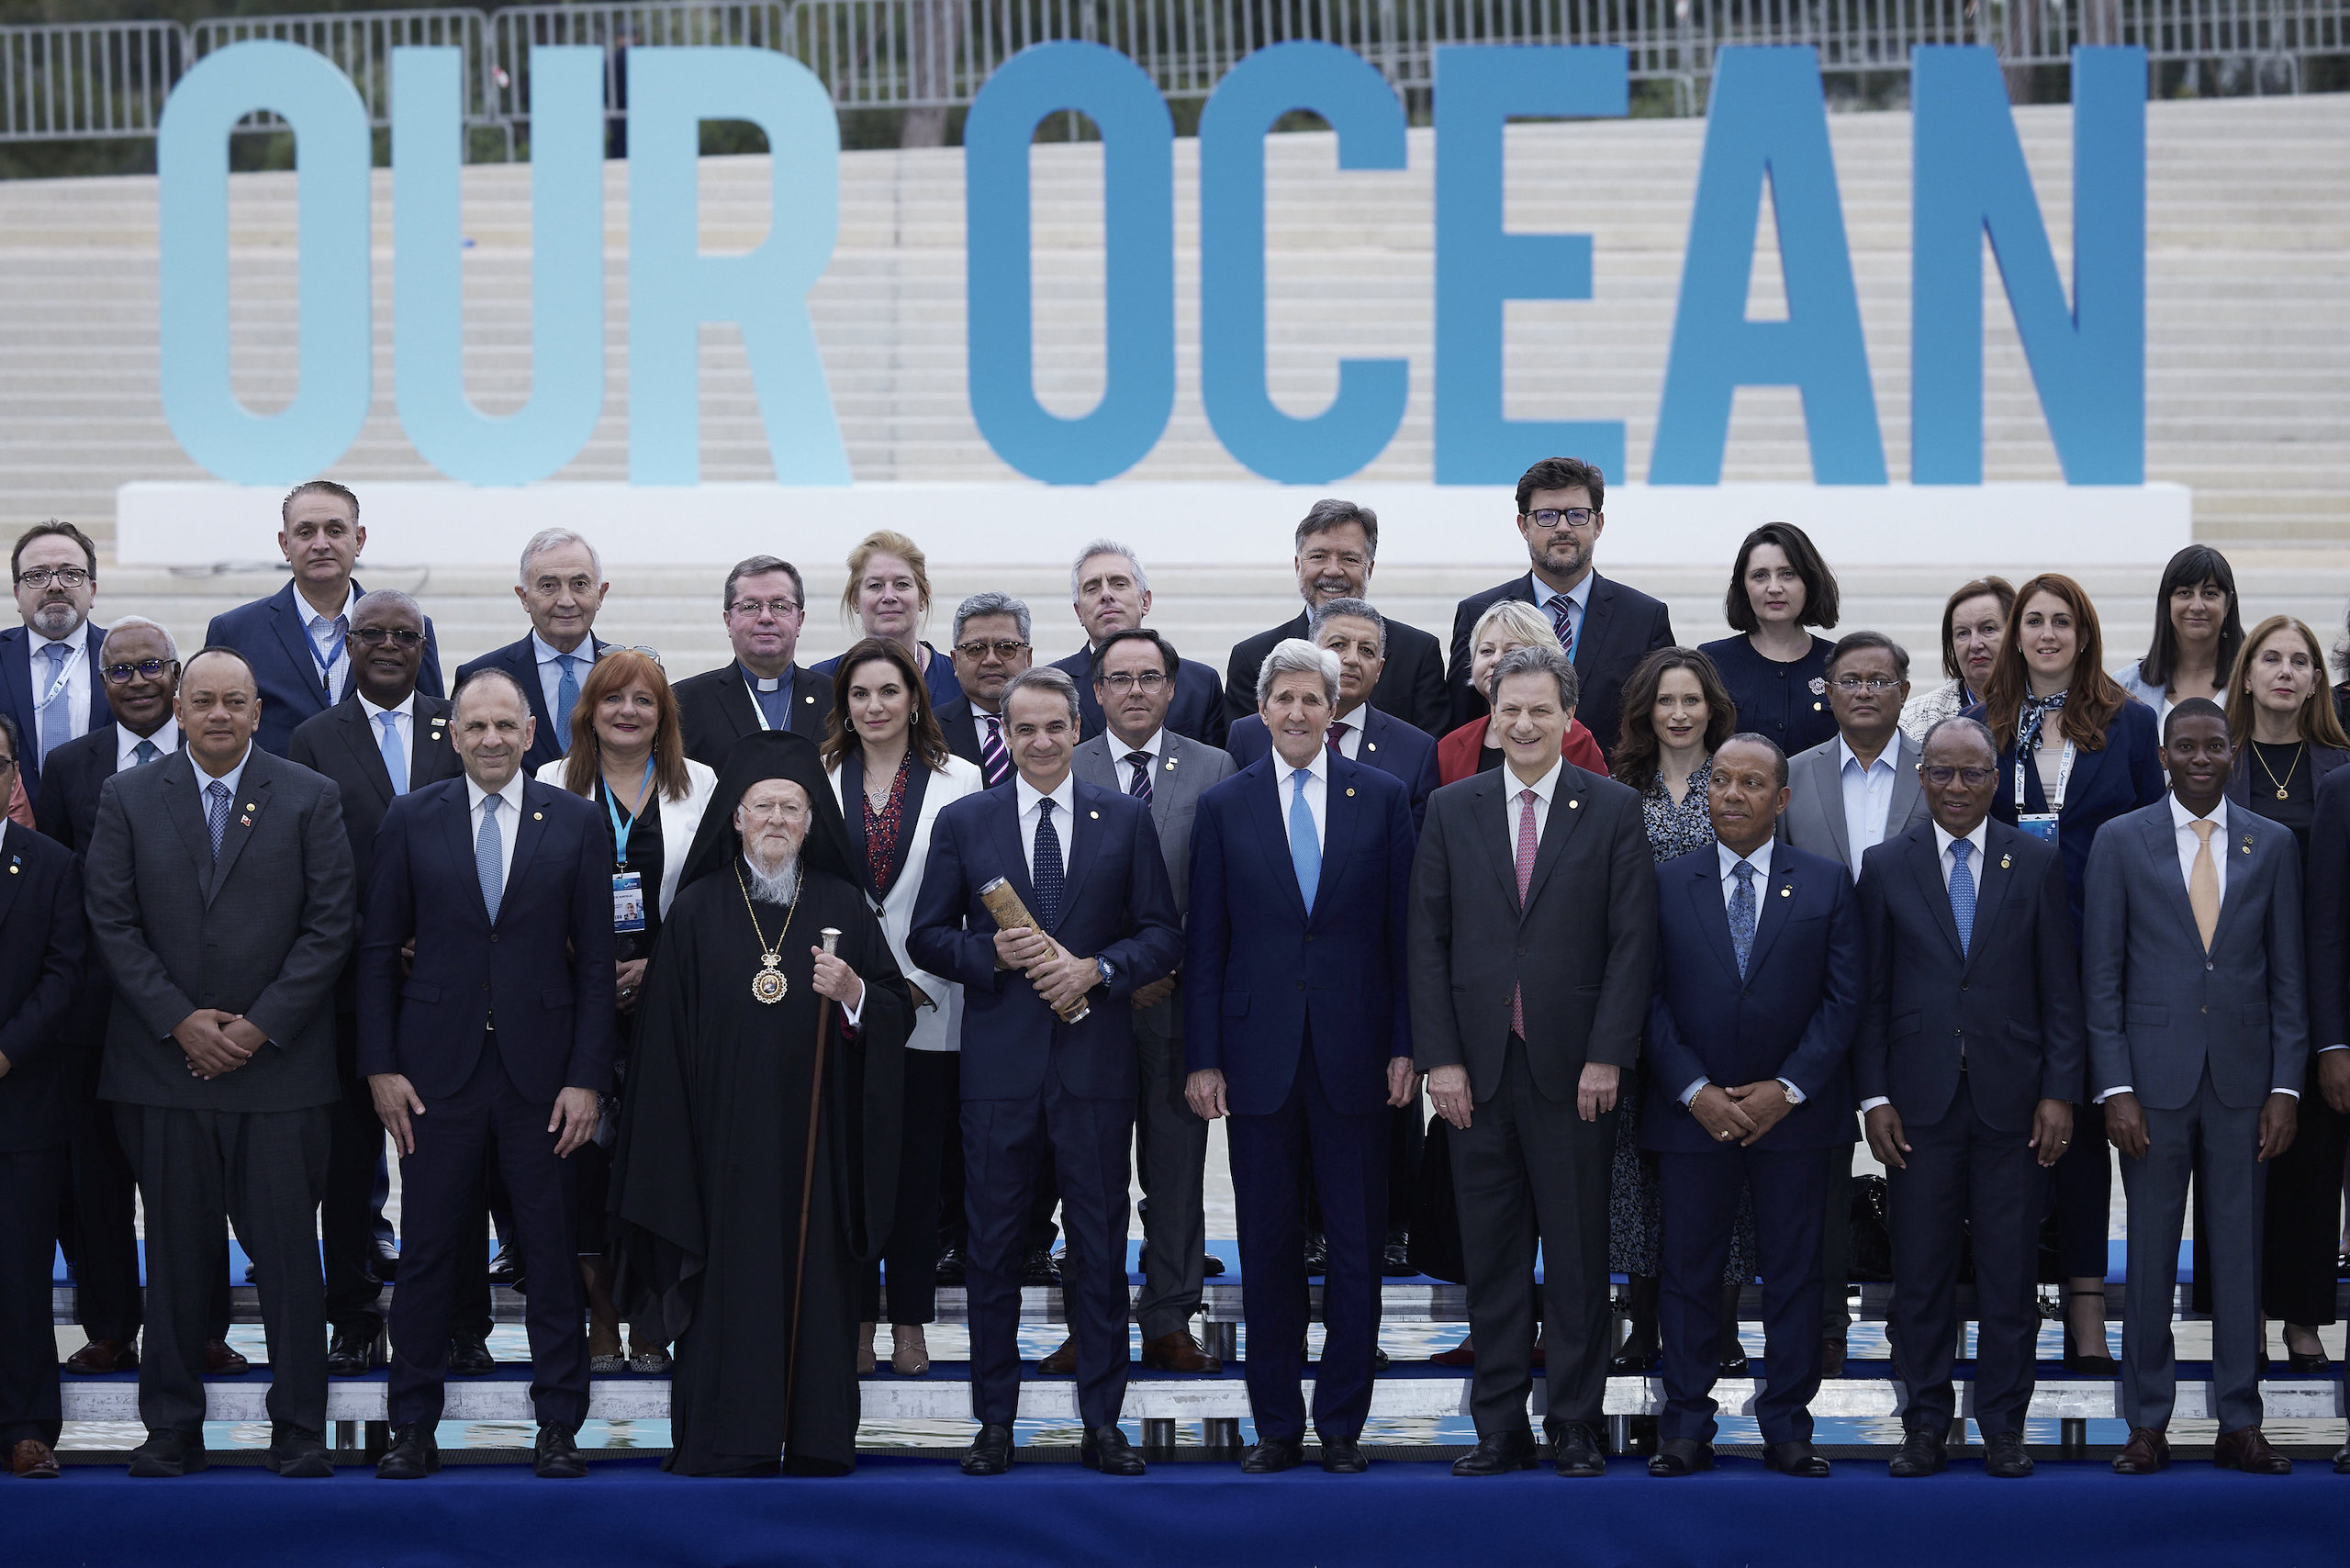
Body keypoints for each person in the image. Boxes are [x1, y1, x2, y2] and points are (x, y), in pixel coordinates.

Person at [84, 646, 356, 1479]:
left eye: (234, 701)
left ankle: (298, 1426)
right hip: (161, 1071)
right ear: (178, 708)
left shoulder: (310, 795)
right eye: (202, 700)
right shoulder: (127, 796)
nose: (218, 715)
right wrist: (179, 1021)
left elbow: (330, 925)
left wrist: (257, 1028)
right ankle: (171, 1426)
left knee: (287, 1258)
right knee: (173, 1256)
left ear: (257, 711)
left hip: (279, 1074)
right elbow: (111, 921)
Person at [610, 732, 912, 1475]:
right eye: (763, 807)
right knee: (727, 1288)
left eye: (792, 807)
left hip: (819, 1149)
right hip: (718, 1151)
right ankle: (727, 1439)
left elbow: (894, 1009)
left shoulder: (841, 903)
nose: (777, 820)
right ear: (737, 818)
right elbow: (660, 1047)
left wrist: (854, 993)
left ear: (811, 823)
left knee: (818, 1288)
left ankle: (813, 1439)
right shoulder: (695, 910)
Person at [908, 666, 1182, 1478]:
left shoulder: (1124, 817)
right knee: (993, 1249)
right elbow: (926, 936)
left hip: (1095, 1069)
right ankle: (995, 1421)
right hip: (1000, 1071)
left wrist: (1098, 969)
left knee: (1098, 1248)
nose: (1039, 741)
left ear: (1077, 728)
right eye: (1023, 729)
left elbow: (1162, 934)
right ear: (1003, 736)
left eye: (1054, 727)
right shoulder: (966, 820)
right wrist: (989, 954)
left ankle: (1103, 1422)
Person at [359, 668, 615, 1483]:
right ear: (454, 735)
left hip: (546, 1080)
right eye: (476, 727)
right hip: (435, 1077)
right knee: (431, 1252)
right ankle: (411, 1426)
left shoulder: (576, 821)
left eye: (506, 725)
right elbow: (376, 953)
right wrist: (380, 1068)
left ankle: (559, 1425)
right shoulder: (411, 817)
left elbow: (597, 964)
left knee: (549, 1252)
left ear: (531, 732)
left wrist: (587, 1078)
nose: (492, 739)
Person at [1410, 644, 1657, 1479]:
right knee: (1493, 1256)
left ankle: (1575, 1424)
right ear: (1491, 717)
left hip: (1576, 1073)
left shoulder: (1613, 808)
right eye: (1509, 709)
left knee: (1579, 1257)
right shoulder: (1452, 808)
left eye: (1539, 710)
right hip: (1476, 1075)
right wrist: (1441, 1061)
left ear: (1568, 717)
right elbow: (1427, 942)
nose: (1523, 724)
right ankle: (1500, 1427)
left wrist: (1608, 1055)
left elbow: (1632, 943)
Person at [1187, 638, 1413, 1473]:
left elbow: (1404, 936)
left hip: (1358, 1054)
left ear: (1333, 708)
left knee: (1356, 1249)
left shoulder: (1381, 796)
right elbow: (1207, 943)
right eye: (1281, 697)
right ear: (1261, 708)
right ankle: (1277, 1425)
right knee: (1269, 1246)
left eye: (1311, 698)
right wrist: (1203, 1057)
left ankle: (1343, 1426)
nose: (1295, 711)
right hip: (1258, 1059)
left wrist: (1407, 1046)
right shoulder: (1225, 804)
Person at [1856, 715, 2082, 1481]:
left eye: (1973, 773)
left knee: (2009, 1275)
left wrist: (2060, 1091)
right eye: (1943, 773)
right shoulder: (1885, 865)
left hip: (2014, 1103)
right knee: (1920, 1275)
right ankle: (1923, 1425)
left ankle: (2004, 1428)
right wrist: (1873, 1096)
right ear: (1922, 778)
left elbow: (2060, 991)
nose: (1957, 787)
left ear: (1995, 779)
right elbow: (1870, 994)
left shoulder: (2037, 861)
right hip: (1915, 1106)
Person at [2087, 698, 2305, 1477]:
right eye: (2186, 746)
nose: (2201, 758)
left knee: (2240, 1256)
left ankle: (2239, 1422)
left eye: (2214, 745)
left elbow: (2288, 977)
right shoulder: (2121, 840)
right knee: (2149, 1258)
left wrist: (2286, 1088)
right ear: (2164, 755)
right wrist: (2115, 1086)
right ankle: (2147, 1423)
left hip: (2245, 1084)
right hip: (2150, 1085)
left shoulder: (2271, 843)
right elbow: (2101, 977)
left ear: (2231, 752)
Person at [1642, 733, 1861, 1481]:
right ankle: (1684, 1426)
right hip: (1691, 1115)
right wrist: (1695, 1091)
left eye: (1751, 783)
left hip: (1796, 1119)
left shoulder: (1828, 884)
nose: (1732, 795)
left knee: (1795, 1275)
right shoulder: (1666, 882)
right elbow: (1645, 997)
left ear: (1782, 798)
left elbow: (1843, 1001)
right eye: (1721, 781)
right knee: (1687, 1274)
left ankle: (1788, 1428)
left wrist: (1787, 1089)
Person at [1970, 572, 2164, 1372]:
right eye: (2033, 621)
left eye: (2063, 622)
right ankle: (2006, 1309)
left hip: (2099, 955)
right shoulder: (1981, 726)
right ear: (2015, 634)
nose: (2047, 634)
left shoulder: (2130, 723)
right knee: (2012, 1134)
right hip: (2006, 959)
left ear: (2084, 636)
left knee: (2084, 1134)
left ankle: (2086, 1309)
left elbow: (2154, 841)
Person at [286, 591, 467, 1378]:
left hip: (453, 982)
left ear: (424, 646)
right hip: (351, 983)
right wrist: (382, 937)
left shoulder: (459, 724)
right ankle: (355, 1316)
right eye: (373, 634)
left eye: (405, 634)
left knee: (453, 1159)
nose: (389, 645)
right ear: (349, 646)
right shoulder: (313, 737)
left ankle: (459, 1320)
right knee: (349, 1163)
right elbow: (305, 862)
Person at [534, 649, 718, 1377]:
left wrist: (659, 964)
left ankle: (652, 1316)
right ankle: (601, 1313)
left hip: (668, 1002)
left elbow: (711, 894)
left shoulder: (699, 784)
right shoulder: (551, 781)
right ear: (589, 710)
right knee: (581, 1161)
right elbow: (530, 891)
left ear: (663, 713)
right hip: (572, 999)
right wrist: (586, 963)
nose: (628, 712)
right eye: (613, 699)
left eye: (644, 700)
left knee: (657, 1159)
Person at [33, 618, 207, 1377]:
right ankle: (109, 1326)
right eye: (121, 671)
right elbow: (53, 888)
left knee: (188, 1182)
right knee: (97, 1182)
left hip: (192, 1009)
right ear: (102, 683)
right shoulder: (69, 765)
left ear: (176, 674)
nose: (137, 682)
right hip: (94, 1012)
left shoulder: (212, 752)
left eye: (151, 667)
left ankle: (198, 1326)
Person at [822, 637, 982, 1378]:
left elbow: (973, 895)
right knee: (850, 1173)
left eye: (889, 691)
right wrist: (857, 986)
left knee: (918, 1177)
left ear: (915, 699)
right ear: (844, 705)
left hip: (931, 1003)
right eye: (860, 693)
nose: (875, 705)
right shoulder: (819, 776)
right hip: (844, 1006)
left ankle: (911, 1322)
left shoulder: (961, 779)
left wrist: (920, 981)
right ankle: (856, 1320)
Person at [1077, 629, 1234, 1373]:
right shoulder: (1066, 763)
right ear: (1097, 691)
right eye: (1120, 678)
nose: (1135, 690)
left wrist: (1165, 964)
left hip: (1178, 1000)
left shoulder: (1213, 767)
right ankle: (1091, 1318)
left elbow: (1223, 887)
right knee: (1091, 1173)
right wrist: (1114, 970)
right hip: (1088, 1007)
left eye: (1149, 677)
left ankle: (1169, 1317)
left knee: (1174, 1171)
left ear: (1172, 688)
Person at [1602, 646, 1757, 1383]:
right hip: (1637, 998)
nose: (1679, 713)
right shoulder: (1616, 792)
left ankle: (1720, 1322)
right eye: (1665, 700)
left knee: (1721, 1164)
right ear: (1645, 709)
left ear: (1712, 707)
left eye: (1691, 699)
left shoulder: (1735, 781)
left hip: (1720, 1000)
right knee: (1637, 1171)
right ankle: (1645, 1320)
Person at [1777, 630, 1930, 1374]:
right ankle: (1826, 1324)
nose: (1864, 691)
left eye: (1879, 680)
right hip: (1816, 1003)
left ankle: (1918, 1328)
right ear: (1827, 692)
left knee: (1921, 1174)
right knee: (1818, 1176)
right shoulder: (1793, 774)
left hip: (1918, 1001)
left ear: (1905, 691)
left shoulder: (1938, 771)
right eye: (1850, 680)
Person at [2221, 616, 2350, 1375]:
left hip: (2318, 985)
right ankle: (2242, 1317)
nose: (2285, 671)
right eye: (2270, 658)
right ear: (2246, 674)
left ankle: (2302, 1317)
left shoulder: (2339, 766)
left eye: (2300, 661)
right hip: (2236, 989)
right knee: (2237, 1161)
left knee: (2311, 1160)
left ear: (2315, 681)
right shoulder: (2215, 761)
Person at [1447, 456, 1675, 755]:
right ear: (1523, 526)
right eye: (1547, 516)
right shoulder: (1478, 613)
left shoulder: (1644, 618)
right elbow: (1460, 721)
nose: (1563, 527)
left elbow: (1661, 719)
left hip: (1613, 780)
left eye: (1577, 515)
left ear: (1598, 524)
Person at [204, 481, 446, 756]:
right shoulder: (235, 631)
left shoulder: (409, 631)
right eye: (306, 533)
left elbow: (432, 730)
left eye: (335, 531)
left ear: (359, 540)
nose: (321, 544)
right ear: (285, 544)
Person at [0, 711, 86, 1481]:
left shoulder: (51, 864)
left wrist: (7, 1050)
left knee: (21, 1273)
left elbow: (64, 974)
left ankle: (27, 1426)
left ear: (13, 776)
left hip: (20, 1103)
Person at [1223, 499, 1447, 736]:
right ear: (1298, 565)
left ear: (1369, 569)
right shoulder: (1252, 658)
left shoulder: (1417, 654)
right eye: (1318, 556)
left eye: (1349, 559)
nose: (1333, 570)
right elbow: (1245, 750)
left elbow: (1429, 749)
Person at [1228, 598, 1439, 832]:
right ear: (1311, 650)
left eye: (1366, 650)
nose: (1352, 659)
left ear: (1379, 669)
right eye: (1338, 645)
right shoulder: (1249, 736)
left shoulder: (1415, 750)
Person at [454, 528, 613, 777]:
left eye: (579, 585)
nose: (566, 600)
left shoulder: (633, 673)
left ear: (600, 594)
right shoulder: (479, 677)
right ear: (524, 597)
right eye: (549, 586)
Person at [1051, 541, 1227, 748]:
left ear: (1145, 601)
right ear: (1078, 612)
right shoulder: (1052, 686)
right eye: (1092, 588)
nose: (1106, 595)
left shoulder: (1200, 685)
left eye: (1119, 584)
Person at [1697, 522, 1841, 760]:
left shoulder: (1839, 664)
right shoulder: (1712, 661)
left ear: (1809, 582)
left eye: (1788, 574)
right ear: (1743, 587)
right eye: (1760, 576)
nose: (1774, 588)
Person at [675, 555, 827, 769]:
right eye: (750, 606)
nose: (766, 617)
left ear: (800, 621)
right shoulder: (683, 703)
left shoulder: (836, 698)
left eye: (780, 606)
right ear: (728, 621)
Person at [1436, 599, 1606, 785]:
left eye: (1512, 651)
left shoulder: (1576, 740)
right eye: (1486, 651)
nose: (1496, 660)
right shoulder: (1450, 746)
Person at [3, 521, 107, 805]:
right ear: (17, 594)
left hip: (105, 824)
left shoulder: (123, 658)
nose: (55, 585)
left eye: (70, 574)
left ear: (92, 590)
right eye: (37, 576)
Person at [811, 531, 962, 711]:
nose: (889, 596)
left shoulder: (958, 680)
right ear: (855, 600)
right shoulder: (822, 681)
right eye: (875, 585)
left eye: (902, 584)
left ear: (923, 597)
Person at [2116, 544, 2244, 723]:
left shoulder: (2252, 682)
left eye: (2210, 593)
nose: (2197, 606)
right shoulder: (2125, 687)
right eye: (2184, 593)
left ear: (2228, 604)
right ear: (2167, 602)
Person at [1898, 577, 2013, 743]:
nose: (1975, 644)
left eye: (1988, 629)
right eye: (1962, 633)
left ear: (2016, 635)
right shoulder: (1915, 719)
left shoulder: (2044, 707)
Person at [937, 592, 1031, 788]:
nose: (991, 660)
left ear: (1028, 658)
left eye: (1006, 647)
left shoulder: (1057, 726)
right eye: (976, 649)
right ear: (955, 661)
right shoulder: (928, 730)